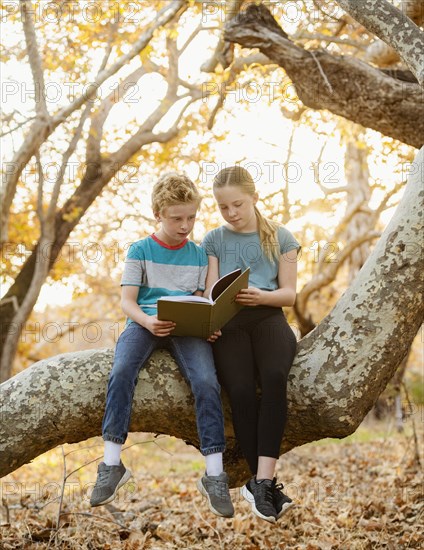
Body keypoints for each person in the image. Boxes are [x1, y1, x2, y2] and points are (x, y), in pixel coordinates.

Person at [90, 173, 234, 518]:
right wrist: (148, 322)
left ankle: (214, 473)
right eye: (176, 218)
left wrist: (208, 324)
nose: (185, 225)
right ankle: (111, 465)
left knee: (206, 382)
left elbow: (200, 299)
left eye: (191, 218)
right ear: (158, 214)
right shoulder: (140, 249)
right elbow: (128, 301)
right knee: (122, 371)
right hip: (145, 323)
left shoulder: (199, 256)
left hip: (185, 328)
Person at [202, 165, 299, 524]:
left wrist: (262, 296)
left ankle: (261, 481)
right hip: (229, 325)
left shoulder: (282, 237)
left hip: (268, 315)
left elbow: (289, 294)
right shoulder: (212, 240)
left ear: (255, 198)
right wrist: (208, 322)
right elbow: (211, 293)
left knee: (274, 377)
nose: (231, 214)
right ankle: (265, 486)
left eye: (238, 205)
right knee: (241, 389)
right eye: (223, 207)